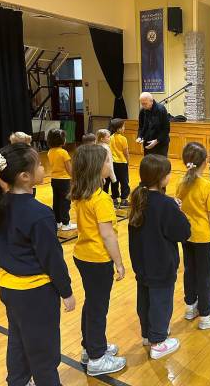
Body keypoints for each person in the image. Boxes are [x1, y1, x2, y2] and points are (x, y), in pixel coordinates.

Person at [0, 143, 75, 386]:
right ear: (24, 176)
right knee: (44, 351)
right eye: (39, 165)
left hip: (9, 290)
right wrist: (67, 291)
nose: (44, 167)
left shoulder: (2, 206)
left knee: (18, 340)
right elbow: (52, 258)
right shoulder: (39, 213)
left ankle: (17, 381)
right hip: (36, 294)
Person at [70, 144, 126, 377]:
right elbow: (107, 235)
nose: (109, 165)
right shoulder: (101, 199)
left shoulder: (81, 193)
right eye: (106, 162)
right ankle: (96, 357)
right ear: (96, 167)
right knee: (97, 308)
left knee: (92, 304)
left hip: (82, 256)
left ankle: (90, 347)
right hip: (97, 259)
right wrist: (120, 263)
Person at [129, 154, 191, 359]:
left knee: (145, 299)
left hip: (141, 262)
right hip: (161, 263)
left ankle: (148, 334)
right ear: (162, 177)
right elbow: (183, 232)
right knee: (161, 301)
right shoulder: (166, 204)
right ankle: (158, 341)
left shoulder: (138, 198)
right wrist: (179, 212)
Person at [176, 142, 210, 330]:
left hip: (186, 236)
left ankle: (191, 306)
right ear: (205, 162)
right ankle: (206, 314)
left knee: (190, 271)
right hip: (203, 237)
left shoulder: (180, 183)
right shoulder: (207, 186)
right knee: (205, 276)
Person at [47, 129, 77, 231]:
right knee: (65, 202)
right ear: (61, 140)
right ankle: (66, 223)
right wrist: (75, 178)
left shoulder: (50, 151)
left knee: (57, 201)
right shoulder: (63, 152)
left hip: (54, 179)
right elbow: (69, 168)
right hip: (64, 180)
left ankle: (57, 222)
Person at [136, 92, 170, 157]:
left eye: (145, 103)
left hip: (160, 143)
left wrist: (156, 141)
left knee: (160, 164)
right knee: (149, 164)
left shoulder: (161, 109)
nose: (143, 106)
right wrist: (139, 137)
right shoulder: (142, 111)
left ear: (151, 101)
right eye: (142, 104)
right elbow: (141, 127)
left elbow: (166, 129)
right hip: (148, 143)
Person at [109, 118, 130, 208]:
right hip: (122, 163)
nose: (124, 128)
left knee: (114, 181)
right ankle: (124, 200)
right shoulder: (123, 139)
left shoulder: (110, 137)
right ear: (119, 129)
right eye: (123, 126)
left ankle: (114, 200)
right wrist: (128, 161)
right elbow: (126, 153)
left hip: (113, 163)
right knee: (124, 181)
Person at [96, 129, 116, 194]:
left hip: (96, 175)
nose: (109, 138)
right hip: (104, 174)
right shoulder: (106, 148)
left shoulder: (95, 146)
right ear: (102, 139)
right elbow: (109, 163)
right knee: (104, 192)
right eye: (108, 137)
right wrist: (113, 177)